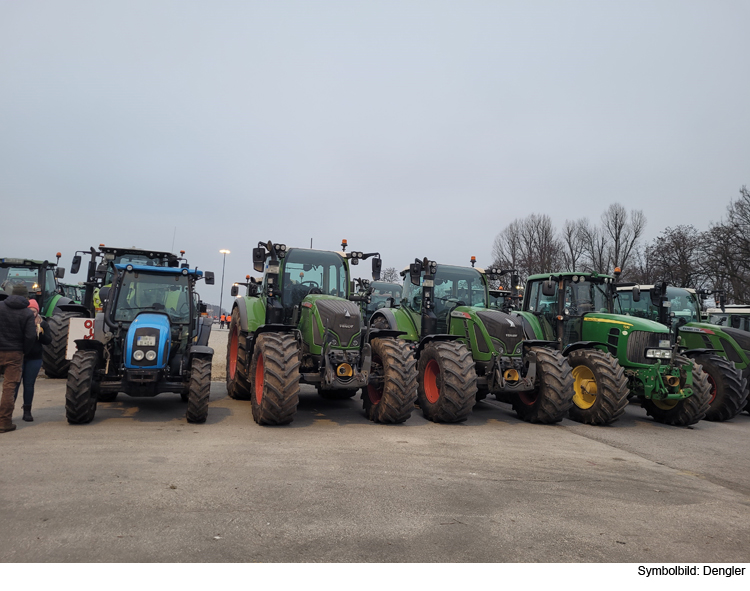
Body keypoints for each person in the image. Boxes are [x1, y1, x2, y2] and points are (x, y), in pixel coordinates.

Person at [0, 284, 37, 433]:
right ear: (27, 297)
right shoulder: (27, 313)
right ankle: (4, 423)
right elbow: (30, 336)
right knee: (9, 388)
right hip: (14, 353)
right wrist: (24, 351)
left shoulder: (0, 306)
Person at [14, 299, 51, 422]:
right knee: (15, 384)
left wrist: (40, 334)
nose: (31, 313)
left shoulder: (43, 324)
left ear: (37, 312)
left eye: (34, 311)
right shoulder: (20, 322)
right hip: (20, 356)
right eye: (29, 310)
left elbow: (48, 341)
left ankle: (27, 411)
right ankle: (8, 411)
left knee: (29, 385)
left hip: (34, 358)